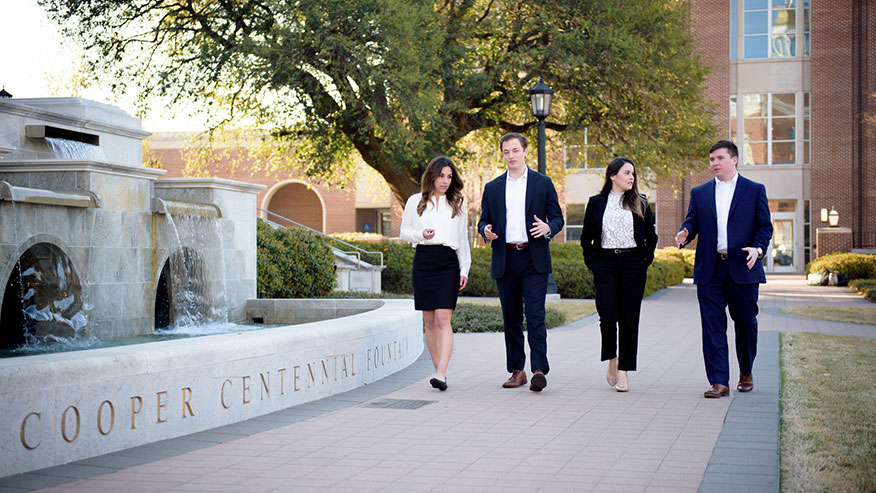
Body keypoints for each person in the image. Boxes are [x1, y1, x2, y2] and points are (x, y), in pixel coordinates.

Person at [675, 140, 772, 398]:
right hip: (710, 269)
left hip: (743, 266)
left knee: (746, 323)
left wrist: (758, 249)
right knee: (712, 327)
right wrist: (685, 232)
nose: (714, 163)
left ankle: (746, 370)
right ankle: (719, 381)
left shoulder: (754, 190)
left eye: (719, 158)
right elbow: (692, 222)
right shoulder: (700, 192)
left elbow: (765, 227)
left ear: (734, 159)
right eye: (711, 159)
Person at [477, 133, 564, 392]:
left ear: (525, 151)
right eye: (506, 151)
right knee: (511, 317)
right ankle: (517, 371)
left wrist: (548, 227)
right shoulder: (492, 187)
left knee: (535, 315)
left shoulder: (542, 183)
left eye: (515, 150)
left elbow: (557, 218)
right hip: (505, 259)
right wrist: (485, 230)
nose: (511, 155)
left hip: (533, 258)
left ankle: (539, 370)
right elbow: (483, 220)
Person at [580, 157, 657, 392]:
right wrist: (593, 263)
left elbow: (651, 237)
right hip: (605, 264)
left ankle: (624, 371)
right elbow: (586, 238)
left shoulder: (640, 202)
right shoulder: (596, 202)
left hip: (633, 264)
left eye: (633, 173)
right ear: (613, 175)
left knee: (629, 318)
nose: (631, 177)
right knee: (607, 314)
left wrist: (644, 261)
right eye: (626, 173)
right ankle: (611, 358)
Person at [400, 156, 471, 391]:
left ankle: (441, 372)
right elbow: (404, 232)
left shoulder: (457, 204)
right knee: (429, 321)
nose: (445, 181)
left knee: (442, 319)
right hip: (423, 260)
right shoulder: (415, 201)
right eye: (441, 176)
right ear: (432, 176)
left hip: (448, 262)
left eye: (449, 177)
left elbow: (462, 240)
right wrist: (421, 234)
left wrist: (464, 268)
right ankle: (439, 372)